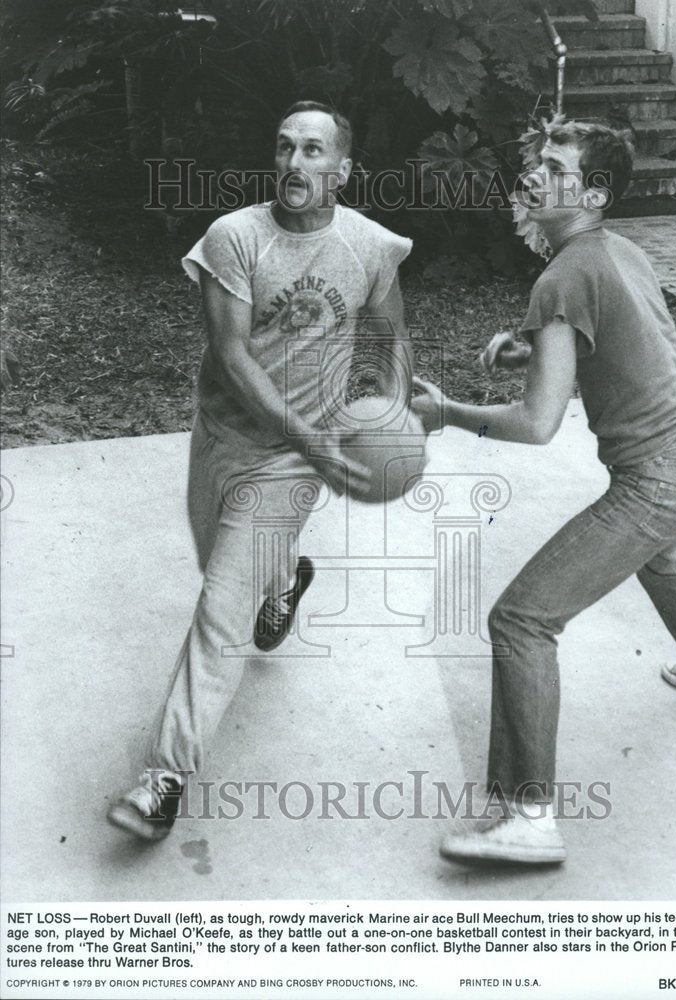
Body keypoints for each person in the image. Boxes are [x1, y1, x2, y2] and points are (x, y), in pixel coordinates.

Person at [411, 120, 676, 865]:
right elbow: (622, 331)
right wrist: (534, 340)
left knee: (521, 620)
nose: (531, 176)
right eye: (535, 162)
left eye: (552, 167)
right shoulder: (613, 251)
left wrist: (447, 414)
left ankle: (529, 818)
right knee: (660, 556)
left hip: (659, 478)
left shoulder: (561, 277)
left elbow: (535, 424)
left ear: (589, 193)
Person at [107, 101, 413, 840]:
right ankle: (286, 581)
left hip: (294, 456)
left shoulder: (369, 247)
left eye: (313, 151)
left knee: (220, 609)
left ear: (343, 168)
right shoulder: (234, 239)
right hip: (224, 433)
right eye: (283, 148)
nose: (294, 164)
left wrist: (390, 416)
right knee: (221, 564)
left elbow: (391, 334)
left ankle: (163, 779)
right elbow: (232, 355)